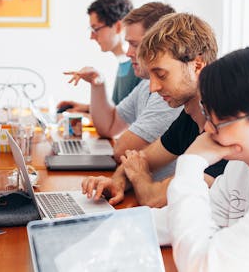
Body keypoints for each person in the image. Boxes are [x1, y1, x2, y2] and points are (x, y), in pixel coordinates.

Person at [152, 46, 249, 270]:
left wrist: (191, 163)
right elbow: (186, 220)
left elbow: (202, 265)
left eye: (219, 122)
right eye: (207, 114)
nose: (207, 128)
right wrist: (93, 224)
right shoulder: (243, 165)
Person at [82, 13, 227, 207]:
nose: (153, 87)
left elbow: (154, 198)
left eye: (161, 75)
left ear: (197, 65)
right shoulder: (190, 117)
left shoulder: (224, 128)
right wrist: (117, 182)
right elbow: (138, 161)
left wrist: (141, 177)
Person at [64, 2, 181, 158]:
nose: (128, 53)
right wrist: (97, 84)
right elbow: (109, 127)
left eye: (135, 44)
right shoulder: (145, 85)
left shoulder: (169, 94)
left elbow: (121, 150)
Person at [57, 0, 139, 113]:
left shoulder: (138, 68)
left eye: (95, 29)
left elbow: (128, 120)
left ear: (118, 27)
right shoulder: (124, 64)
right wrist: (87, 109)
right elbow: (118, 111)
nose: (92, 36)